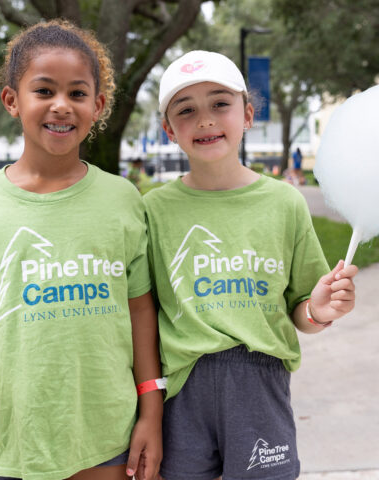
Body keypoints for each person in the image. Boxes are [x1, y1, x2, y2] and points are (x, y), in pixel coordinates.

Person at [0, 20, 163, 480]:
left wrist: (152, 410)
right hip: (9, 445)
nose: (61, 106)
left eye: (78, 93)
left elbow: (141, 311)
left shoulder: (123, 200)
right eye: (44, 90)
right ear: (13, 101)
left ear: (98, 105)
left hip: (105, 437)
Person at [143, 50, 358, 480]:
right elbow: (143, 314)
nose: (205, 119)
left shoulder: (285, 203)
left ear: (248, 114)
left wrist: (319, 309)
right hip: (183, 389)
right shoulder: (151, 211)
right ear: (169, 129)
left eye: (220, 103)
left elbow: (303, 311)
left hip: (260, 381)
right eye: (186, 110)